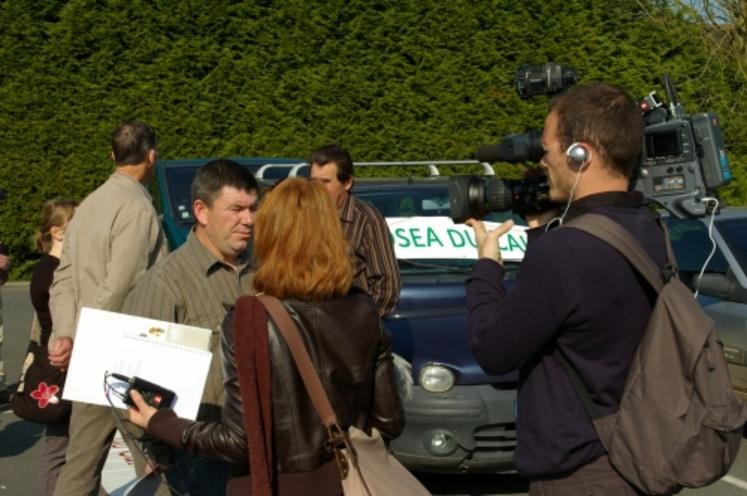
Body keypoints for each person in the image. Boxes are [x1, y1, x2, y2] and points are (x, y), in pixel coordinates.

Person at [127, 178, 404, 496]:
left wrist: (161, 422)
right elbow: (390, 422)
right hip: (348, 480)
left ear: (271, 235)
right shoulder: (363, 307)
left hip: (277, 484)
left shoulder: (250, 317)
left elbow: (240, 440)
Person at [465, 83, 664, 495]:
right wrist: (540, 231)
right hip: (636, 453)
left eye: (547, 149)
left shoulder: (567, 251)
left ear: (581, 153)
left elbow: (494, 349)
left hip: (580, 475)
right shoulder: (649, 228)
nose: (542, 161)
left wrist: (487, 266)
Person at [122, 159, 258, 495]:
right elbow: (132, 383)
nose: (249, 220)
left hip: (263, 447)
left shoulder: (265, 271)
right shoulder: (164, 286)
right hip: (200, 458)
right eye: (236, 209)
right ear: (201, 211)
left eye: (253, 209)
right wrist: (157, 452)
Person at [48, 119, 167, 496]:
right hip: (127, 348)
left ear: (112, 155)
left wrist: (65, 332)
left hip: (92, 346)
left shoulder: (88, 206)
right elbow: (122, 285)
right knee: (167, 454)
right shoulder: (137, 209)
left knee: (80, 463)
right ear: (152, 157)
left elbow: (63, 277)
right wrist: (84, 337)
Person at [309, 144, 401, 316]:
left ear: (347, 183)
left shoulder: (367, 219)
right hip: (311, 329)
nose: (318, 190)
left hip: (351, 330)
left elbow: (387, 286)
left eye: (326, 182)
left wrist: (358, 323)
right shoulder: (302, 216)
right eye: (314, 182)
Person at [29, 198, 78, 496]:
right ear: (58, 232)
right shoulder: (51, 270)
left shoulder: (52, 267)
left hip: (61, 365)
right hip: (60, 368)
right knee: (59, 448)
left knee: (67, 447)